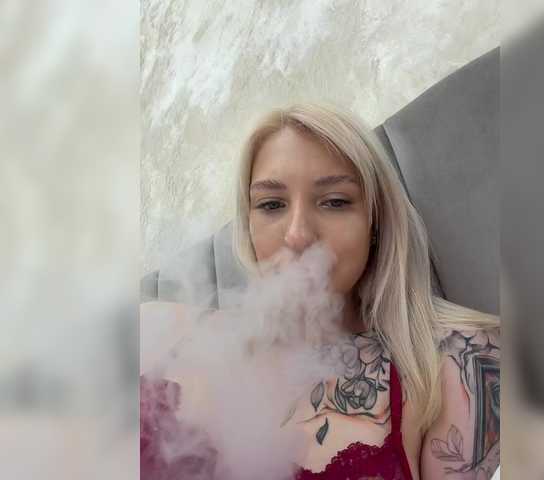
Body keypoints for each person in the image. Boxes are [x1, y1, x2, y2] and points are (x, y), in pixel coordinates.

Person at [141, 103, 500, 480]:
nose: (298, 234)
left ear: (375, 222)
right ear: (248, 225)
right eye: (271, 205)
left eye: (335, 202)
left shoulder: (461, 364)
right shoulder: (158, 327)